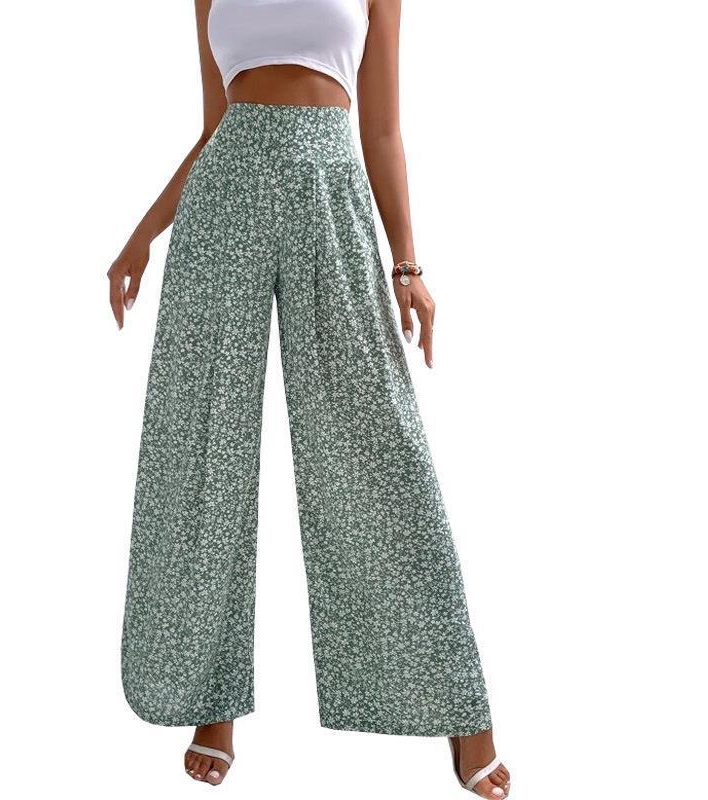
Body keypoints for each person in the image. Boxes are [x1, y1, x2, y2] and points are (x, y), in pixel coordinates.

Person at [108, 1, 510, 796]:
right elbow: (214, 128)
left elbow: (382, 130)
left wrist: (408, 265)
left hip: (331, 187)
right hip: (223, 202)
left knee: (379, 451)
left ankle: (457, 704)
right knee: (203, 449)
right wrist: (142, 235)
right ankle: (210, 700)